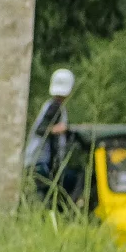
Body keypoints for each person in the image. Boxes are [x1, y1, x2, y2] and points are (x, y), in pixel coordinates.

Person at [25, 68, 80, 202]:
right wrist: (58, 129)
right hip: (41, 163)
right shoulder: (54, 107)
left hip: (36, 161)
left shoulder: (51, 105)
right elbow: (41, 129)